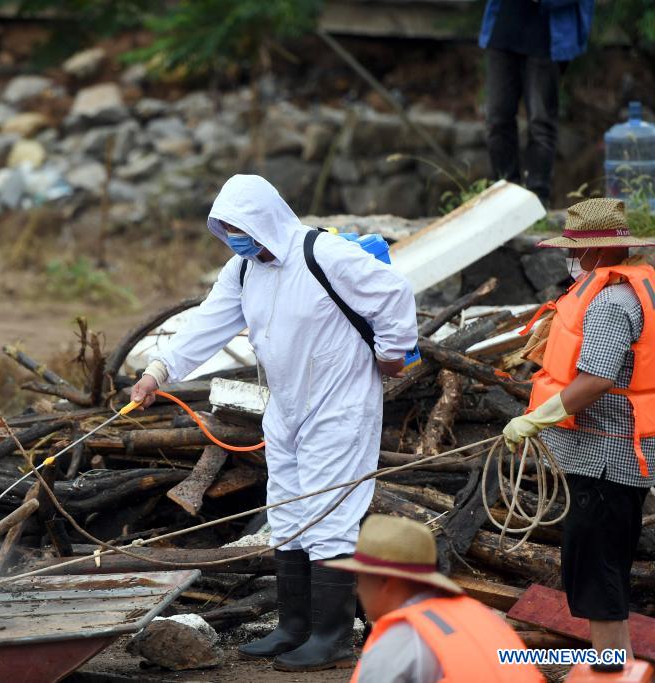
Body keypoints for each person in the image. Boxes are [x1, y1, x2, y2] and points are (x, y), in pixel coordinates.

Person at [130, 174, 418, 672]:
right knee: (286, 514)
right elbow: (207, 321)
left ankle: (332, 638)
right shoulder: (243, 270)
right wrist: (159, 370)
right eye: (223, 228)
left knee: (331, 516)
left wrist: (392, 355)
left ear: (264, 219)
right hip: (285, 408)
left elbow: (392, 294)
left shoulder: (323, 255)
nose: (233, 236)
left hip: (340, 405)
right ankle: (294, 626)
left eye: (238, 226)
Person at [504, 198, 655, 664]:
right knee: (605, 570)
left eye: (572, 249)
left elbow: (598, 378)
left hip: (607, 461)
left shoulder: (611, 301)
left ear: (592, 253)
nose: (568, 258)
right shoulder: (640, 287)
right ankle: (617, 664)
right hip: (623, 456)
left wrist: (536, 417)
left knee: (596, 574)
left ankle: (613, 670)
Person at [325, 514, 543, 682]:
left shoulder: (400, 640)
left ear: (385, 581)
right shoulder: (483, 617)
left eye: (360, 579)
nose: (357, 590)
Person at [478, 0, 594, 206]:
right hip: (504, 29)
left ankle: (537, 201)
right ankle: (503, 197)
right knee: (497, 118)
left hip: (547, 37)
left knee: (540, 122)